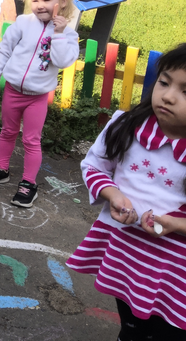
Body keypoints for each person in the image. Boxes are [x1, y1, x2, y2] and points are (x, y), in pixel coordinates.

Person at [67, 43, 186, 340]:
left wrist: (175, 224)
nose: (168, 96)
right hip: (125, 251)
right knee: (131, 322)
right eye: (164, 83)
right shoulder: (126, 126)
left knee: (167, 330)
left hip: (174, 267)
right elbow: (94, 166)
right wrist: (112, 194)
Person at [0, 0, 79, 207]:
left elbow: (62, 61)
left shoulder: (68, 34)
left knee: (32, 140)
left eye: (47, 0)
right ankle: (1, 168)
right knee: (7, 131)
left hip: (37, 97)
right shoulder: (23, 22)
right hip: (13, 90)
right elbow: (5, 48)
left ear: (62, 1)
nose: (40, 5)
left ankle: (28, 183)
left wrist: (58, 34)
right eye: (35, 0)